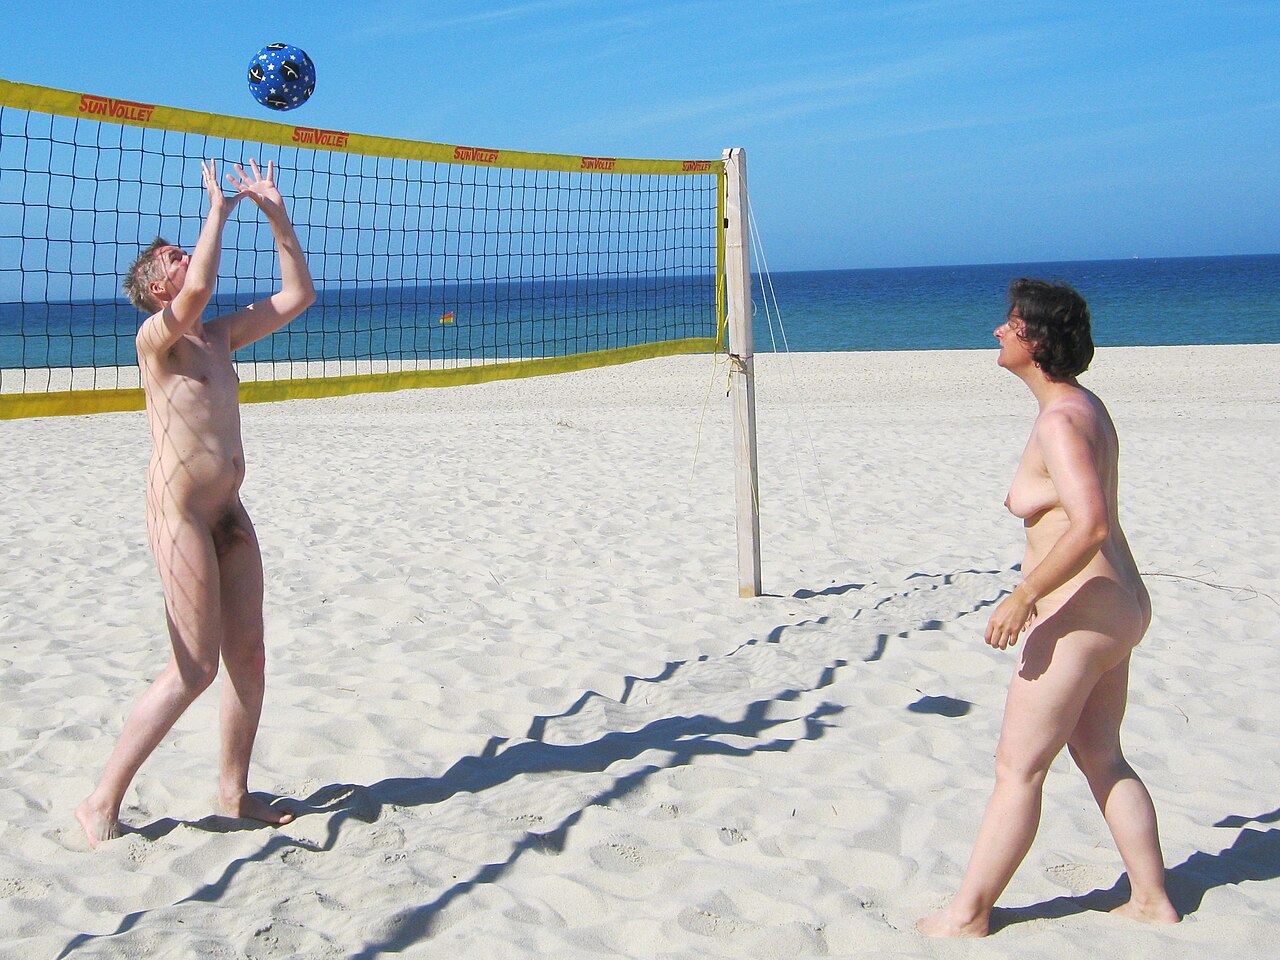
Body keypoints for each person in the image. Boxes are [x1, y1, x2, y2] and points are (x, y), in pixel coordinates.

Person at [917, 279, 1179, 936]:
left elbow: (1089, 523)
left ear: (1036, 340)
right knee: (1101, 756)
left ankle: (969, 913)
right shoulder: (1083, 406)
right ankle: (1152, 899)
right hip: (1116, 605)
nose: (998, 332)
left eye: (1009, 323)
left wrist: (1024, 594)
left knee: (1018, 768)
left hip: (1079, 611)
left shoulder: (1061, 420)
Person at [76, 158, 315, 847]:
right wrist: (219, 207)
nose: (185, 259)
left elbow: (298, 295)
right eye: (171, 258)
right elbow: (202, 282)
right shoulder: (157, 340)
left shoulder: (220, 335)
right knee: (194, 668)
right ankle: (100, 802)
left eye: (184, 249)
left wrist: (275, 215)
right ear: (155, 288)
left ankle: (234, 793)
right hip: (178, 515)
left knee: (251, 654)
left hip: (230, 514)